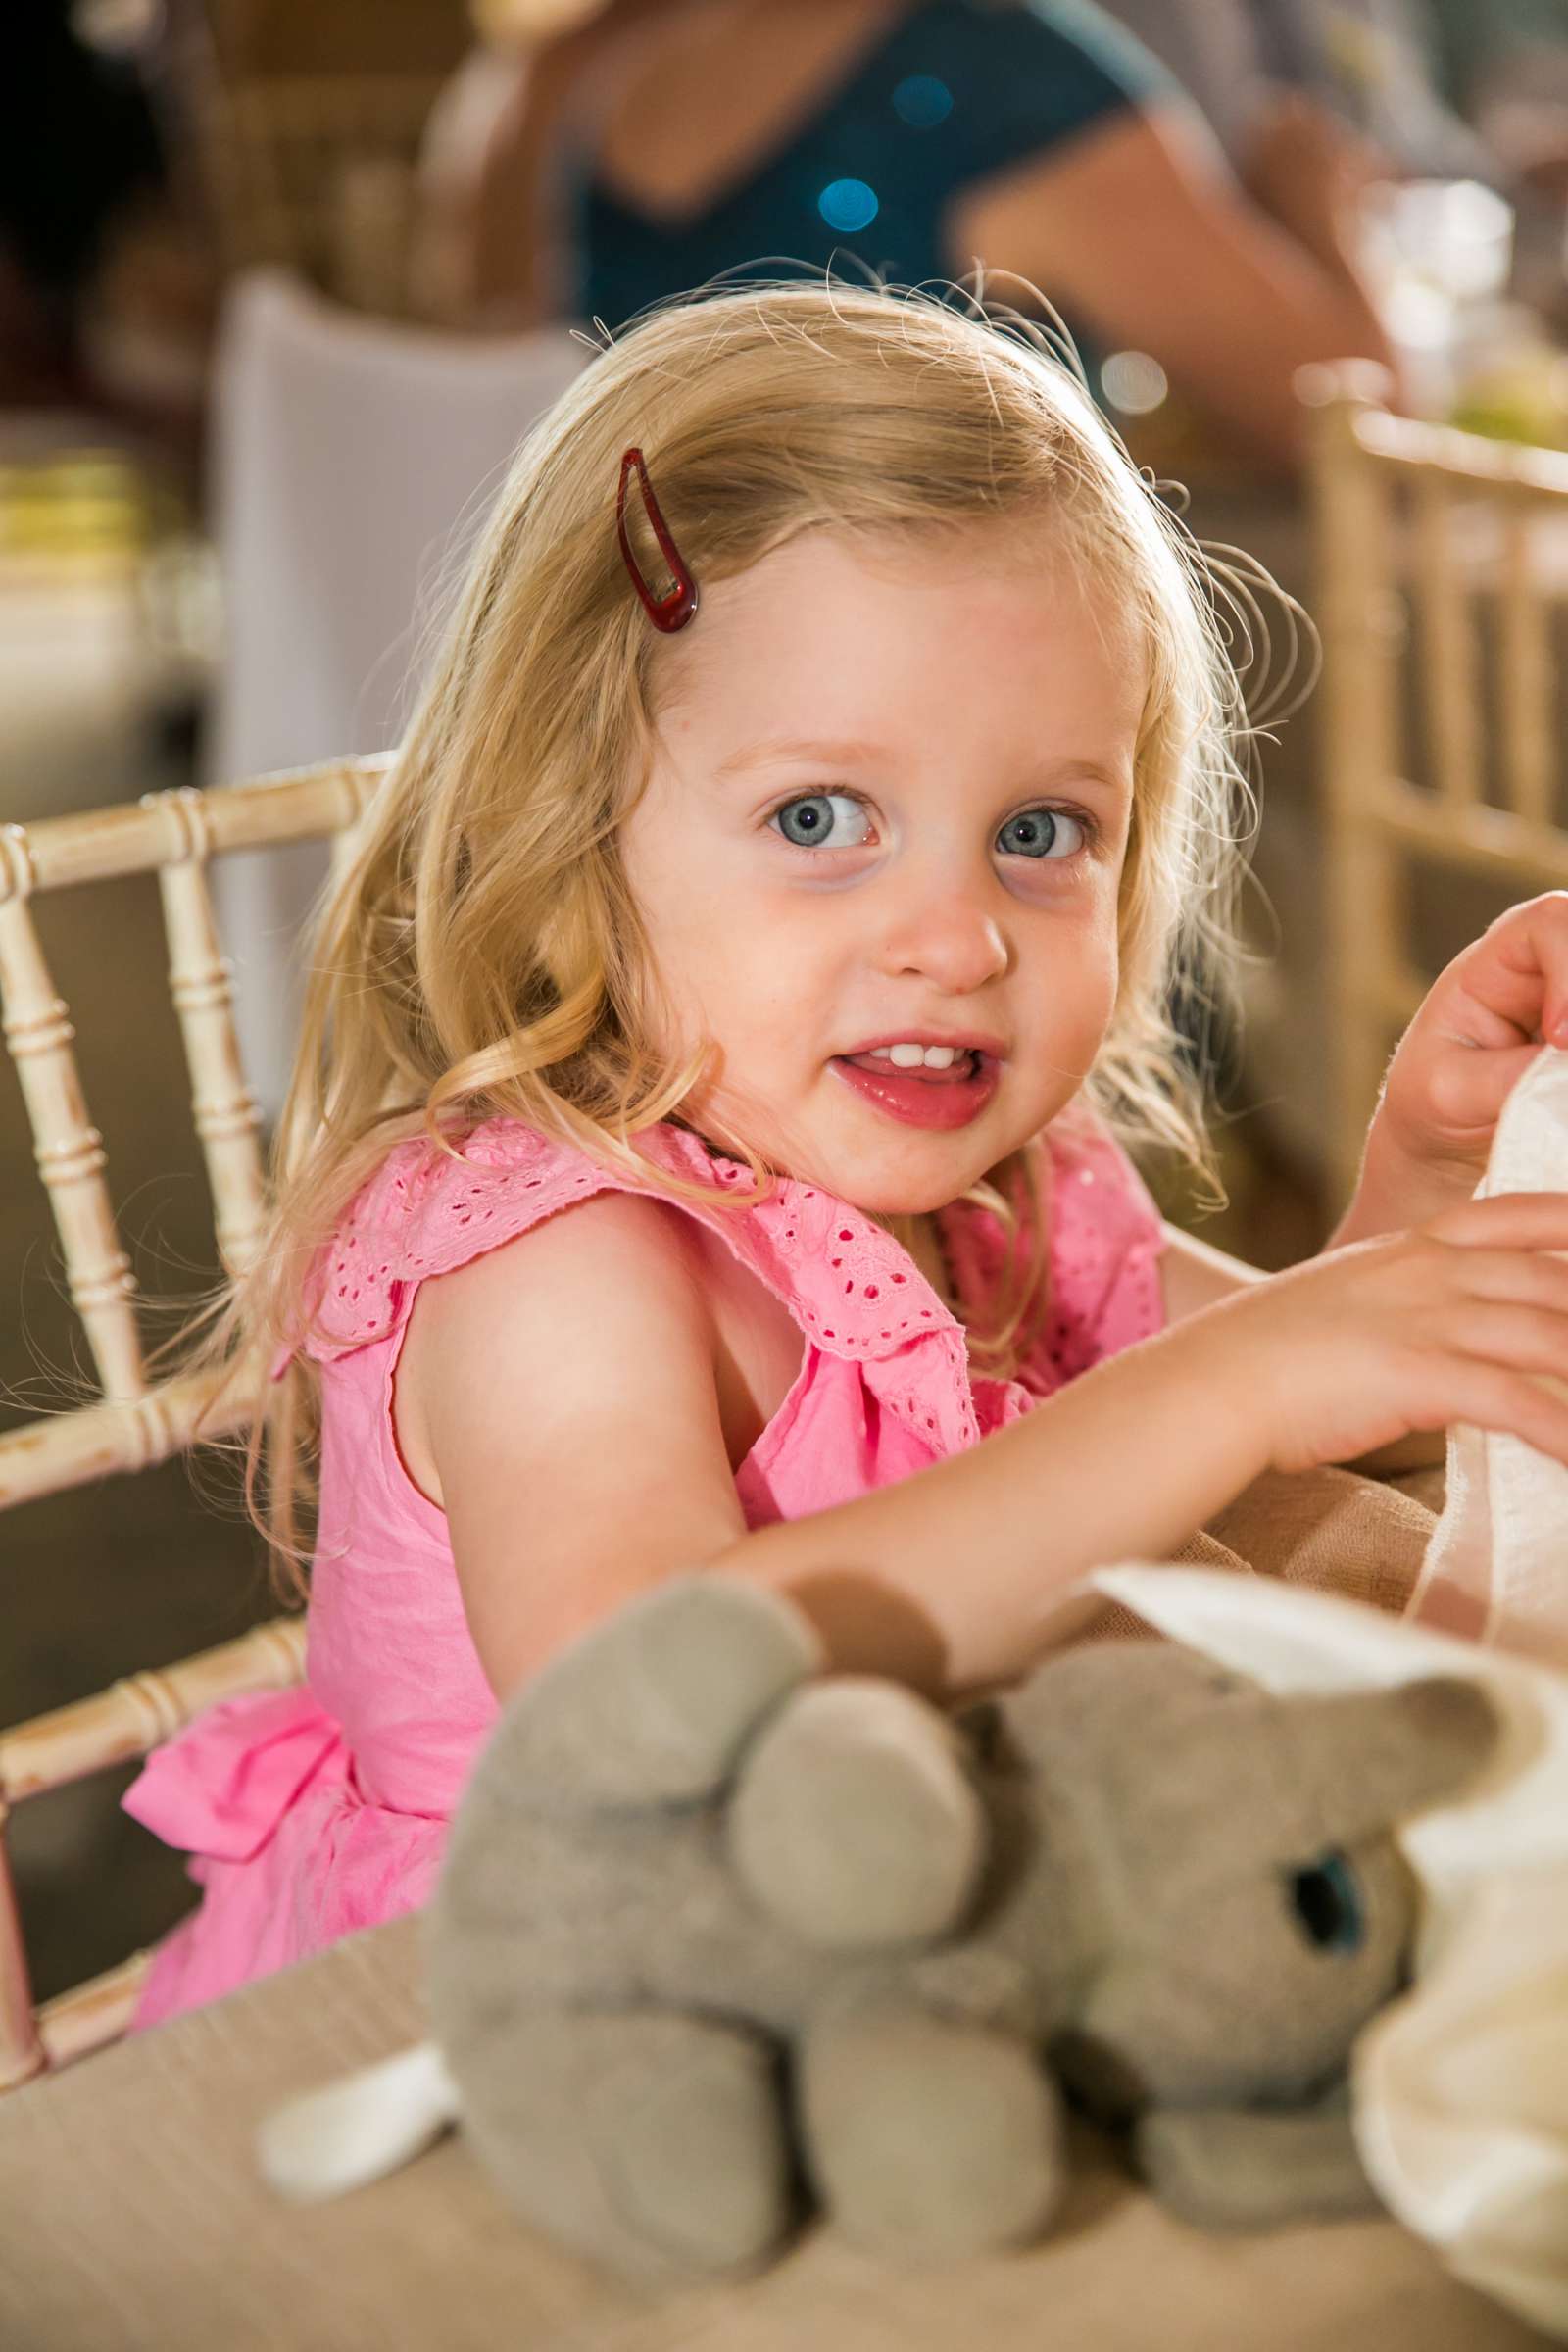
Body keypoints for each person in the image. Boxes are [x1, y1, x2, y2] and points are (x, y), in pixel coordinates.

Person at [122, 278, 1568, 2029]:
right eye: (821, 820)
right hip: (536, 2025)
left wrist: (1426, 1188)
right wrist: (1244, 1379)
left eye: (1041, 832)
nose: (955, 937)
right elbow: (635, 1705)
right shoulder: (560, 1261)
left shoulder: (1006, 1198)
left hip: (921, 1943)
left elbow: (1331, 1429)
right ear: (569, 824)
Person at [417, 0, 1399, 470]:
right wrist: (1316, 203)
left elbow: (484, 342)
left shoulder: (584, 68)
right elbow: (1355, 428)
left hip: (632, 691)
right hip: (920, 719)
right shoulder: (1005, 82)